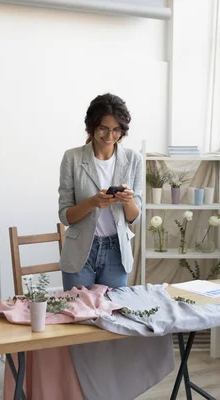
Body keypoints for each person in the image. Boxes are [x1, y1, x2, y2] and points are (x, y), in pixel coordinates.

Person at [58, 93, 143, 291]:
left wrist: (128, 200)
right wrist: (93, 202)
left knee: (113, 315)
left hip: (117, 252)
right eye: (103, 129)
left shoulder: (134, 159)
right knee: (77, 315)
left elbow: (135, 218)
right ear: (92, 126)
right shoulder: (72, 158)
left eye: (116, 130)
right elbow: (65, 216)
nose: (109, 136)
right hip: (80, 252)